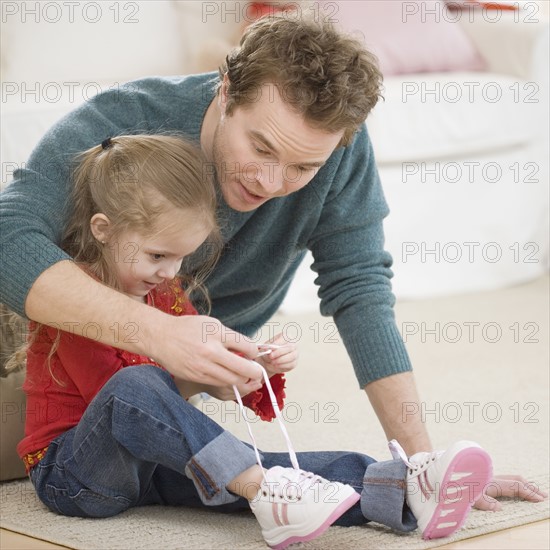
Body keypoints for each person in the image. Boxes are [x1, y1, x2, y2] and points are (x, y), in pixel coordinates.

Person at [0, 14, 545, 515]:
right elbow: (8, 237)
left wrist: (423, 459)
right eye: (260, 148)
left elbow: (360, 289)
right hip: (38, 362)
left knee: (242, 461)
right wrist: (161, 336)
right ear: (227, 90)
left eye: (301, 166)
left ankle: (402, 490)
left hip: (166, 396)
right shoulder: (127, 124)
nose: (271, 182)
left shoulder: (336, 153)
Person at [14, 134, 498, 547]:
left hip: (151, 468)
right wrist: (198, 371)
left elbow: (178, 390)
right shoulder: (76, 301)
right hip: (75, 476)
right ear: (104, 231)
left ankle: (406, 488)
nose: (169, 272)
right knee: (149, 395)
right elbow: (126, 401)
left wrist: (242, 372)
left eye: (181, 258)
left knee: (274, 466)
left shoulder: (163, 291)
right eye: (158, 255)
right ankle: (264, 490)